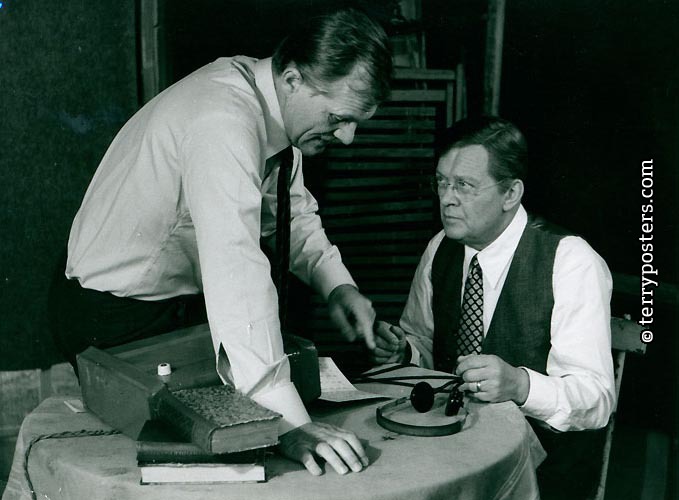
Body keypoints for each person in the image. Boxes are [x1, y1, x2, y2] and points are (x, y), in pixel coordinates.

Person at [48, 8, 392, 476]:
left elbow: (290, 213)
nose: (348, 138)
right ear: (293, 79)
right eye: (339, 118)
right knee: (228, 450)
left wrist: (338, 286)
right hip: (114, 317)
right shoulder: (223, 120)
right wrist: (288, 425)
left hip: (171, 304)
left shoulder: (271, 105)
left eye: (357, 121)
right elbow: (236, 269)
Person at [372, 117, 615, 500]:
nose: (447, 198)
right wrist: (404, 351)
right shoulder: (441, 248)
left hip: (538, 474)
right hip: (451, 453)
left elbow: (597, 399)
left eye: (464, 186)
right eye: (442, 182)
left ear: (510, 193)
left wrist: (520, 385)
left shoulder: (570, 260)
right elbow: (424, 344)